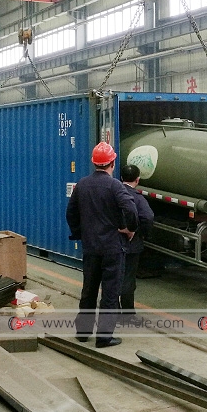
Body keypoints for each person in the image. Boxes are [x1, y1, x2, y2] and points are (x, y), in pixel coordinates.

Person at [67, 142, 138, 348]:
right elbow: (131, 210)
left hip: (91, 248)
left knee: (88, 290)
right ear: (112, 163)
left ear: (94, 163)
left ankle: (83, 332)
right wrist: (129, 229)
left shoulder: (82, 185)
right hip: (112, 248)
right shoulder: (115, 185)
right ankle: (104, 337)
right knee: (110, 292)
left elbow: (71, 213)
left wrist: (80, 233)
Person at [119, 164, 154, 320]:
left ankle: (109, 310)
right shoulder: (138, 198)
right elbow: (148, 217)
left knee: (111, 277)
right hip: (131, 246)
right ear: (137, 180)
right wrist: (144, 234)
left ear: (121, 178)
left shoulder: (113, 194)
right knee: (128, 280)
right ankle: (127, 314)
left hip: (111, 243)